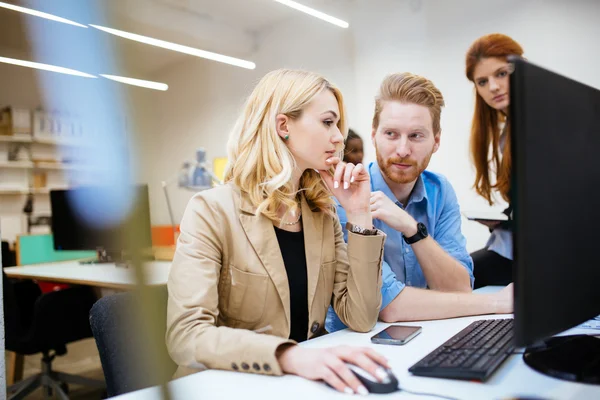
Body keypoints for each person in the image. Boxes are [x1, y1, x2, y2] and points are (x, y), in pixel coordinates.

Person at [166, 69, 390, 395]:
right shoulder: (212, 210)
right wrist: (288, 356)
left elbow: (361, 317)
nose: (340, 137)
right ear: (283, 126)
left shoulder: (322, 215)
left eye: (338, 125)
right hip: (224, 388)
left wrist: (358, 213)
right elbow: (186, 335)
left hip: (295, 387)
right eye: (328, 122)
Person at [326, 72, 513, 332]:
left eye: (416, 136)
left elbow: (459, 288)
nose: (403, 150)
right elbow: (389, 307)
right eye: (391, 134)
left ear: (436, 141)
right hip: (351, 345)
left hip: (421, 337)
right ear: (374, 135)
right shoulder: (347, 195)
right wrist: (495, 302)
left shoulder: (440, 190)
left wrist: (413, 230)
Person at [465, 33, 524, 288]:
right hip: (513, 245)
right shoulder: (505, 135)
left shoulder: (543, 125)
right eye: (482, 81)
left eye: (502, 73)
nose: (494, 87)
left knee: (460, 277)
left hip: (543, 253)